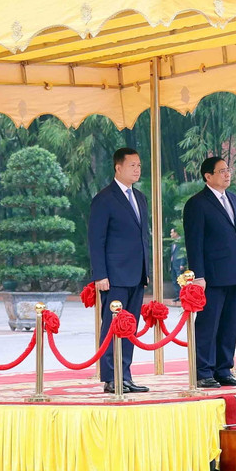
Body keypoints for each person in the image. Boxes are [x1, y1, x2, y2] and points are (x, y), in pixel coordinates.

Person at [183, 157, 236, 388]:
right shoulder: (197, 203)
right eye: (221, 171)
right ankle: (203, 372)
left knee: (229, 324)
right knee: (208, 325)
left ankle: (224, 369)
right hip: (212, 276)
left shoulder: (233, 199)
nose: (227, 174)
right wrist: (199, 275)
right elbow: (195, 242)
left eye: (228, 170)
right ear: (208, 176)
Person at [87, 147, 151, 393]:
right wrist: (100, 274)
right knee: (112, 325)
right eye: (132, 165)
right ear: (118, 167)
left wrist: (145, 270)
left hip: (136, 274)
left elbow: (142, 238)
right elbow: (96, 239)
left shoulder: (140, 198)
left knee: (130, 326)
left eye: (139, 165)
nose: (137, 169)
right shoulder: (104, 199)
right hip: (113, 276)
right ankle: (111, 377)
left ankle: (125, 374)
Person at [169, 228, 186, 301]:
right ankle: (178, 295)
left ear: (176, 233)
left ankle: (183, 296)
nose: (171, 234)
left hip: (179, 264)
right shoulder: (173, 243)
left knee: (180, 280)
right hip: (173, 264)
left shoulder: (181, 242)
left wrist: (182, 263)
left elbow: (183, 253)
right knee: (174, 280)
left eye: (172, 232)